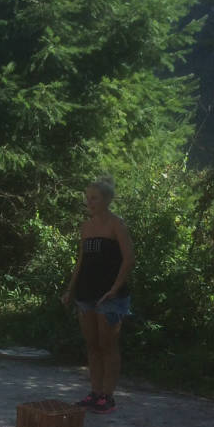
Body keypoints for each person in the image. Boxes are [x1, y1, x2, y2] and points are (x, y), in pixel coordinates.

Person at [60, 176, 134, 414]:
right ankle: (94, 392)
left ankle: (107, 396)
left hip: (110, 297)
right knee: (92, 344)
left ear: (107, 200)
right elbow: (81, 262)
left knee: (107, 344)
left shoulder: (117, 225)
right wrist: (70, 290)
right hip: (86, 294)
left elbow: (129, 259)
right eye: (88, 198)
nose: (89, 202)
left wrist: (114, 288)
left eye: (94, 198)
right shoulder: (86, 227)